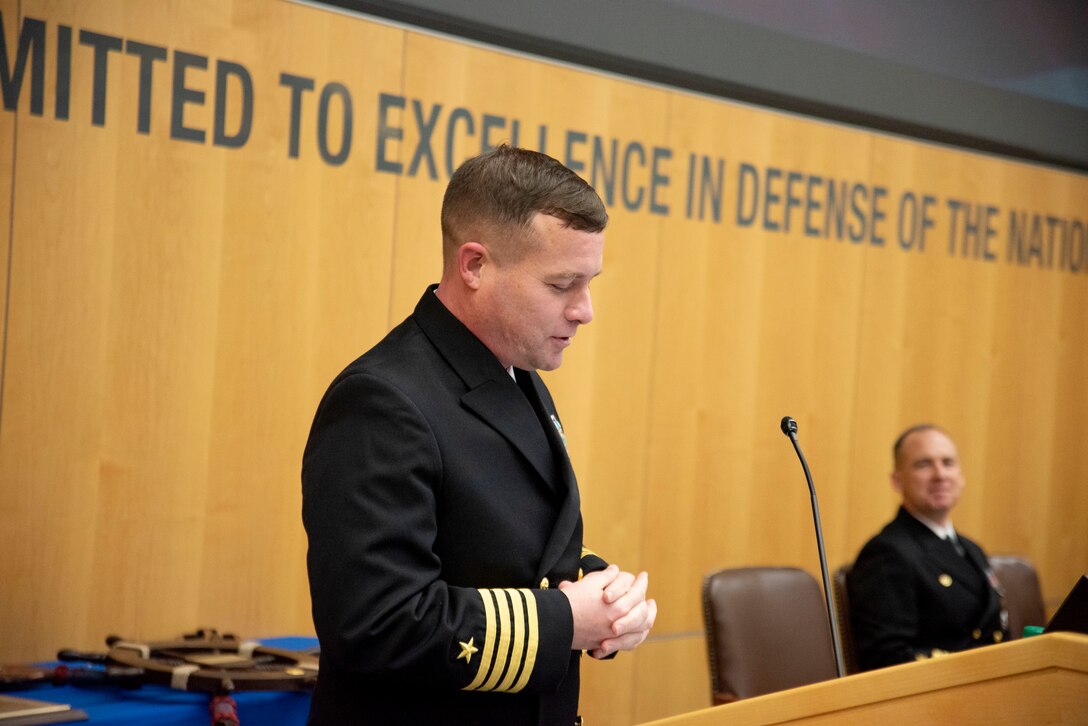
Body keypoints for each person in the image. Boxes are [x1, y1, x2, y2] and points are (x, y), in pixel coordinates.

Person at [301, 145, 657, 725]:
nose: (584, 310)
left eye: (589, 282)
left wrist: (604, 596)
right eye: (562, 284)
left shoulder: (512, 372)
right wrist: (566, 620)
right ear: (473, 266)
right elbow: (378, 624)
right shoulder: (382, 401)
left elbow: (507, 541)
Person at [848, 424, 1008, 671]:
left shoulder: (971, 549)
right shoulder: (887, 553)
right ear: (897, 481)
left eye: (948, 463)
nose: (940, 475)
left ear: (961, 476)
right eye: (924, 465)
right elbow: (887, 658)